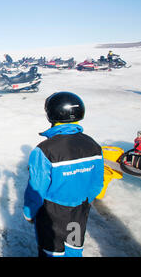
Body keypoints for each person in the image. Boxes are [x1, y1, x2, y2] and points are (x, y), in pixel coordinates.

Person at [23, 91, 104, 257]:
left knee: (51, 252)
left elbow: (36, 189)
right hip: (79, 210)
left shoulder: (44, 150)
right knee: (74, 250)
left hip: (52, 214)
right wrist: (83, 202)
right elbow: (97, 183)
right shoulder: (93, 146)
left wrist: (29, 213)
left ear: (51, 115)